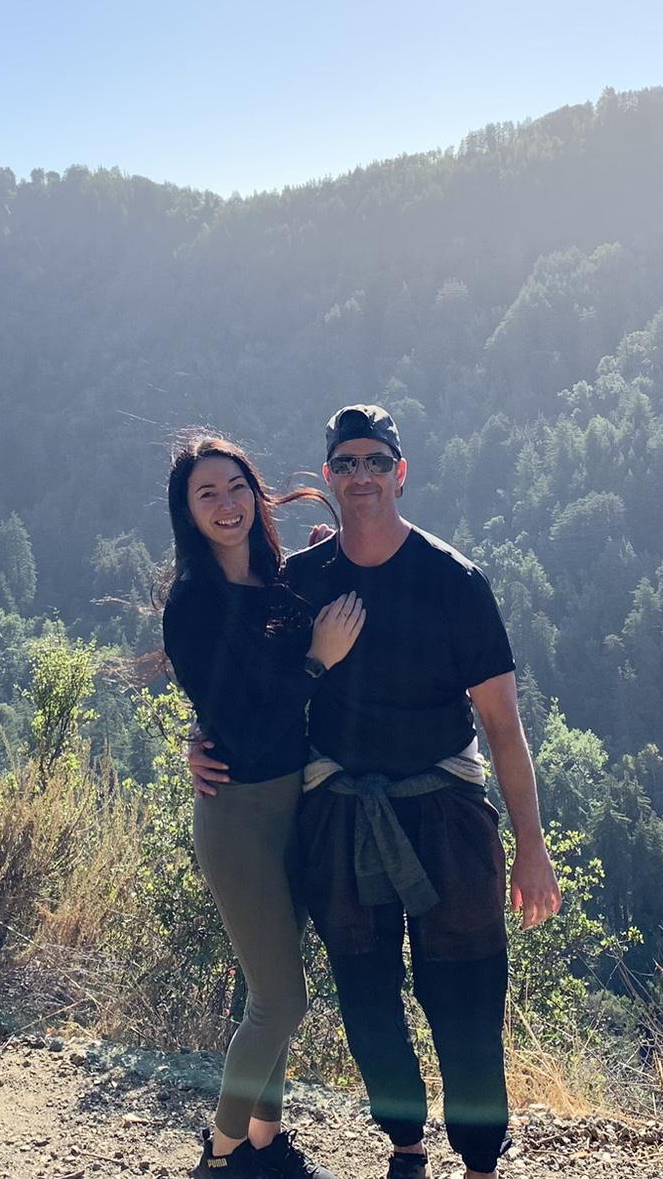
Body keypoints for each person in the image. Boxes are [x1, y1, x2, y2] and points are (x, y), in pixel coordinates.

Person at [193, 406, 561, 1179]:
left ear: (401, 471)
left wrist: (532, 847)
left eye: (375, 461)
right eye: (347, 462)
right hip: (337, 811)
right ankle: (405, 1146)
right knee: (366, 999)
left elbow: (502, 726)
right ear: (329, 475)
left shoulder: (454, 581)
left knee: (464, 997)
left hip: (447, 812)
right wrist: (203, 741)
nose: (361, 475)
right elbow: (241, 684)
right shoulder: (302, 582)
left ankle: (482, 1161)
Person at [162, 433, 366, 1179]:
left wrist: (324, 559)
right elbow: (245, 722)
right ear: (186, 512)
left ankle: (264, 1142)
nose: (226, 504)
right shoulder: (191, 604)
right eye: (205, 494)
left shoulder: (276, 581)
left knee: (268, 988)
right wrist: (318, 659)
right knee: (282, 1000)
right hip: (240, 817)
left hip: (294, 806)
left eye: (235, 486)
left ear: (255, 492)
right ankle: (219, 1154)